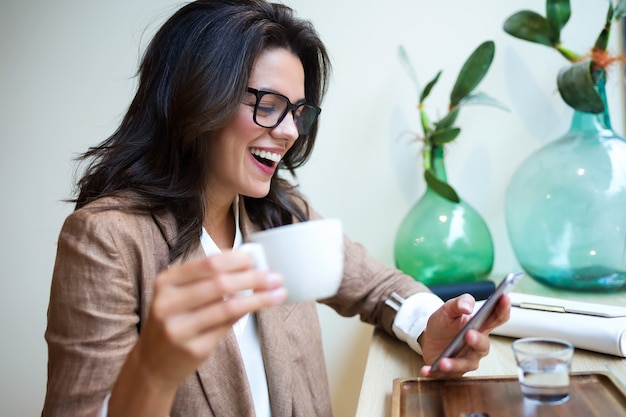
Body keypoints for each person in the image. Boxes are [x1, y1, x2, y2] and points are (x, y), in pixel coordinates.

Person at [41, 1, 511, 416]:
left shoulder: (283, 212)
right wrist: (152, 370)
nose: (289, 131)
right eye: (269, 104)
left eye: (298, 111)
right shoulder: (106, 239)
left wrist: (429, 323)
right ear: (195, 97)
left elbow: (377, 287)